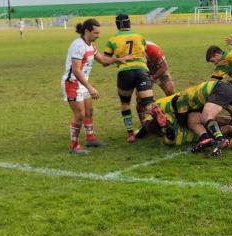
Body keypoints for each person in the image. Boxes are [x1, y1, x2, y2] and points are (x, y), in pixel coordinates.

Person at [62, 19, 130, 154]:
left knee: (89, 112)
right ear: (87, 31)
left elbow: (103, 60)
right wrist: (90, 87)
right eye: (95, 33)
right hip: (72, 83)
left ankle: (90, 138)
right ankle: (73, 145)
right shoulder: (78, 46)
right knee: (80, 114)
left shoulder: (90, 46)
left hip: (82, 84)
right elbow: (76, 70)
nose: (98, 35)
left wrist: (117, 60)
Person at [103, 14, 167, 142]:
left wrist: (117, 59)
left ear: (117, 25)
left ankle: (130, 134)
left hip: (124, 72)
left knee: (125, 103)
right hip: (141, 70)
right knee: (148, 102)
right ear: (129, 24)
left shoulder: (112, 40)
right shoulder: (139, 36)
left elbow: (105, 61)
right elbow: (143, 52)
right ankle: (157, 113)